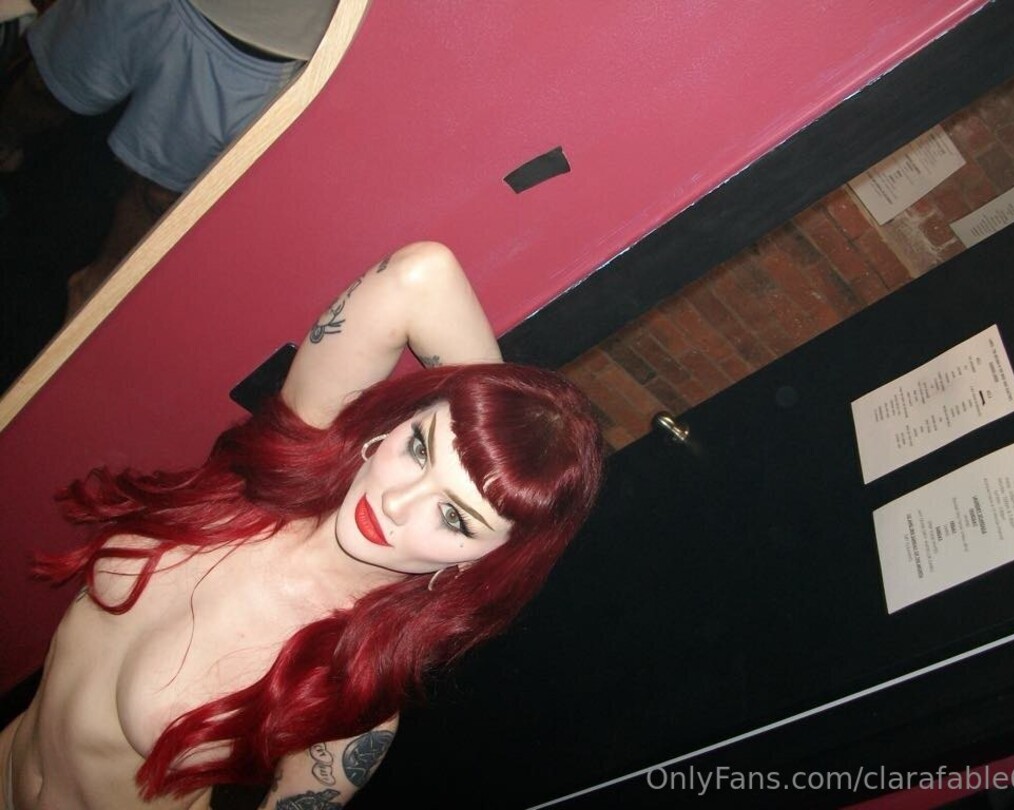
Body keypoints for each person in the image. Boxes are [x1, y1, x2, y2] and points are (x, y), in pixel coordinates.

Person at [0, 241, 605, 809]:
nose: (396, 503)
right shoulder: (279, 472)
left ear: (482, 562)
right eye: (420, 449)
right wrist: (499, 418)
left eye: (453, 515)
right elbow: (421, 276)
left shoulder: (349, 693)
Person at [0, 0, 338, 318]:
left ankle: (88, 311)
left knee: (157, 198)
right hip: (160, 7)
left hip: (273, 47)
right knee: (41, 89)